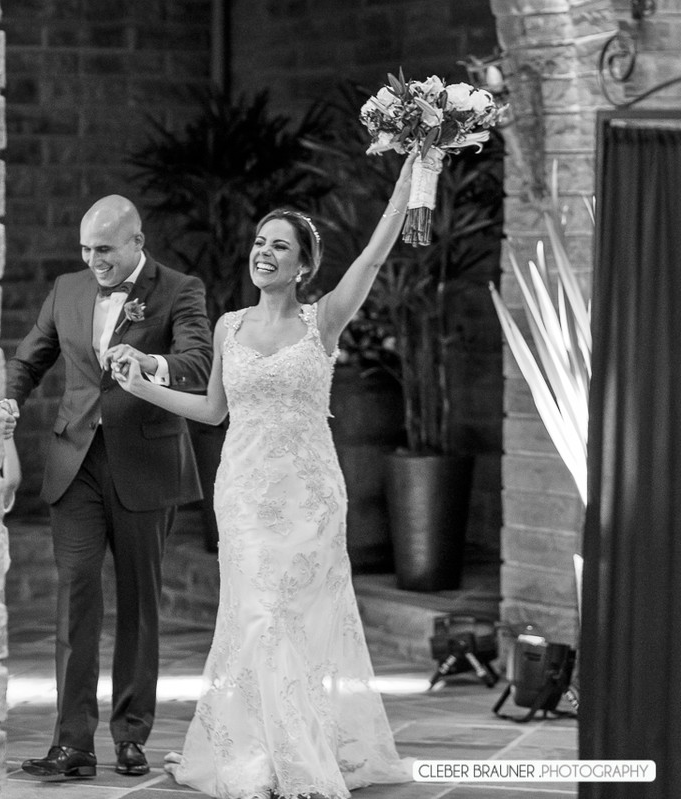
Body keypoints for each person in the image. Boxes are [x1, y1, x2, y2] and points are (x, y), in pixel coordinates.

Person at [107, 152, 417, 799]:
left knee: (294, 621)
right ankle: (258, 749)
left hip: (308, 496)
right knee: (257, 617)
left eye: (280, 246)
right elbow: (215, 409)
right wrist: (145, 387)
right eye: (259, 242)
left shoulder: (321, 321)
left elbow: (375, 256)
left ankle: (298, 748)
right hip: (245, 495)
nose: (263, 252)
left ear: (304, 265)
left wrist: (411, 179)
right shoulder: (229, 326)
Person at [1, 195, 213, 780]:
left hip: (146, 463)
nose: (93, 260)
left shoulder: (180, 288)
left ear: (137, 243)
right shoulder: (68, 289)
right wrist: (7, 403)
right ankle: (72, 745)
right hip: (76, 463)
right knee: (75, 598)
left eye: (104, 250)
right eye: (86, 249)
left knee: (140, 605)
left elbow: (198, 361)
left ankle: (130, 736)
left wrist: (151, 364)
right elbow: (30, 359)